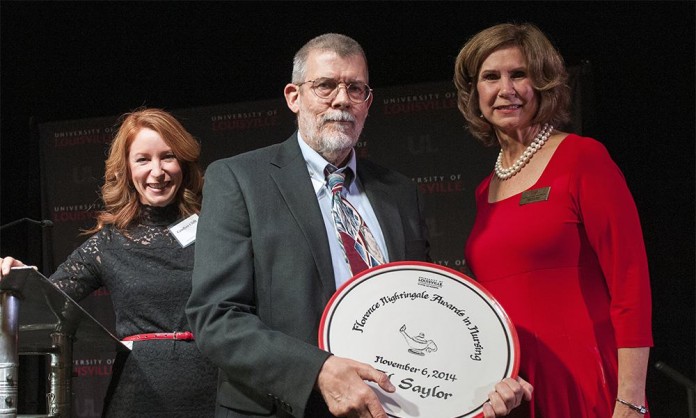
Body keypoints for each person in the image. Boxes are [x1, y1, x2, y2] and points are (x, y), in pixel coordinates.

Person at [186, 33, 532, 418]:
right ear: (293, 96)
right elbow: (216, 317)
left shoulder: (400, 193)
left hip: (391, 406)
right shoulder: (239, 179)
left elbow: (422, 311)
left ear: (368, 103)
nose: (341, 100)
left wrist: (477, 384)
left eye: (355, 88)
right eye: (325, 86)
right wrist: (318, 371)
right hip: (283, 407)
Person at [453, 23, 653, 417]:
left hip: (587, 382)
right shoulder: (485, 190)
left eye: (519, 74)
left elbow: (630, 285)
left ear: (543, 84)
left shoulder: (583, 159)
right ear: (476, 93)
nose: (505, 89)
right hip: (513, 393)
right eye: (491, 77)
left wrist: (631, 400)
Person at [1, 108, 217, 417]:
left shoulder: (219, 231)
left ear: (183, 162)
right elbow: (48, 300)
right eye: (143, 160)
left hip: (216, 392)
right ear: (127, 170)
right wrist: (18, 277)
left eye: (167, 157)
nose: (157, 171)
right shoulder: (108, 244)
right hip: (137, 398)